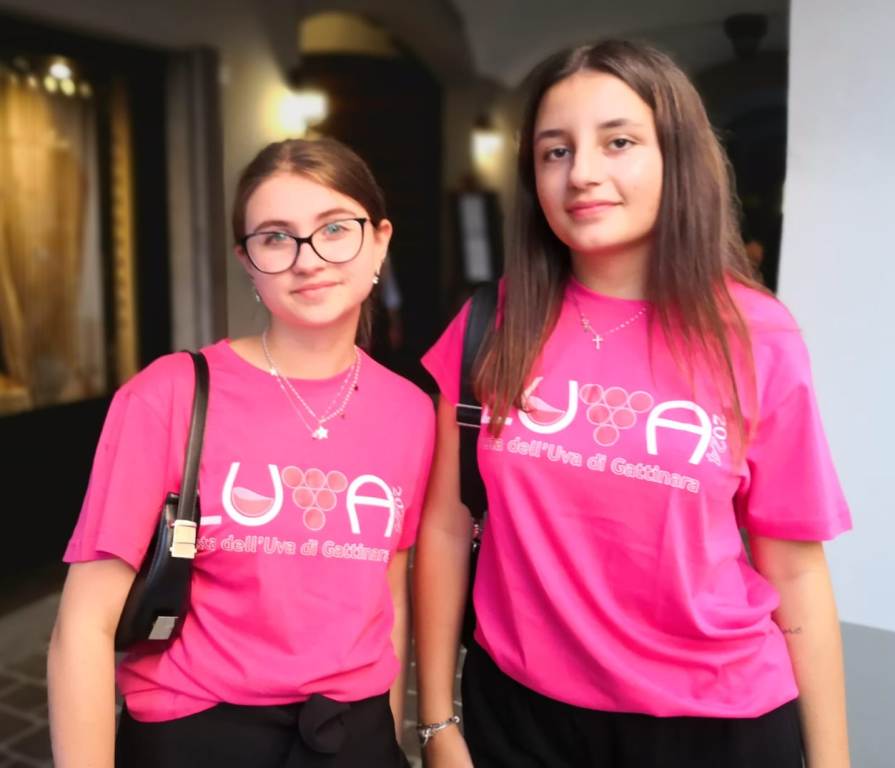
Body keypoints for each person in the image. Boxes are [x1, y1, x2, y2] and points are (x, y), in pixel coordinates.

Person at [414, 40, 851, 768]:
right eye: (555, 151)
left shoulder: (756, 337)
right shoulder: (491, 324)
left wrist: (832, 761)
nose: (582, 172)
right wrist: (436, 724)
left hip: (716, 724)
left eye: (618, 142)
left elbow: (796, 569)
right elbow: (446, 527)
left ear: (677, 157)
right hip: (520, 720)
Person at [48, 137, 435, 768]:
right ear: (247, 262)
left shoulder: (411, 412)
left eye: (335, 228)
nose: (308, 259)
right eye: (276, 237)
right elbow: (83, 628)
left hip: (352, 736)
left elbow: (386, 589)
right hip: (197, 734)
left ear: (380, 241)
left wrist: (384, 732)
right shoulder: (168, 394)